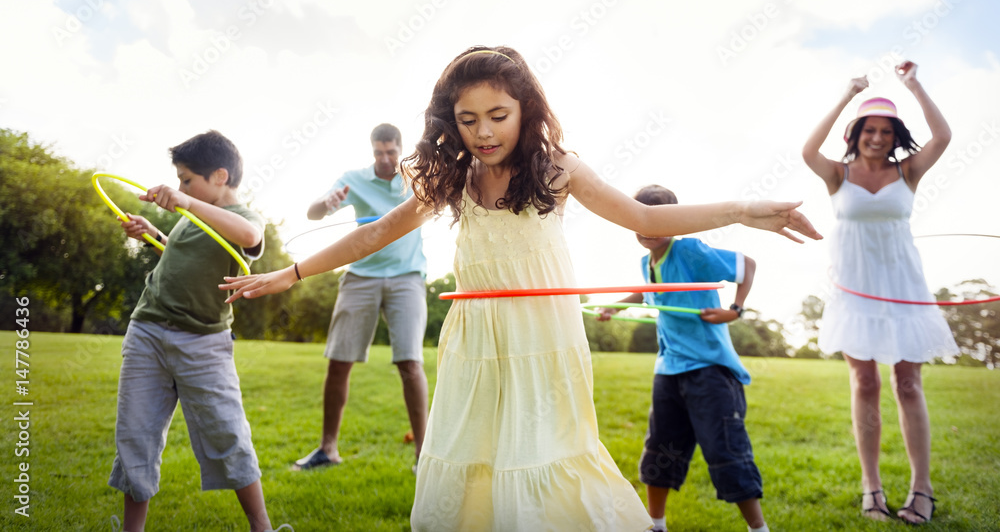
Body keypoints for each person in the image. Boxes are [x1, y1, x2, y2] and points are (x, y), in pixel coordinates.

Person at [221, 46, 821, 531]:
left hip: (544, 335)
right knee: (477, 454)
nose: (483, 132)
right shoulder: (451, 178)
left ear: (525, 108)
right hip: (477, 338)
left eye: (497, 116)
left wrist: (743, 209)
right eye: (467, 119)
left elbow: (647, 220)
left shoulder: (559, 167)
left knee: (543, 452)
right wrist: (289, 272)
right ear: (448, 122)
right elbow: (373, 233)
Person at [801, 61, 958, 524]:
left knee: (908, 383)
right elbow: (807, 149)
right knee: (864, 383)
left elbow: (943, 137)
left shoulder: (908, 172)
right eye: (868, 129)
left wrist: (914, 84)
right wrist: (848, 93)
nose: (877, 137)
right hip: (855, 294)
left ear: (895, 137)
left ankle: (921, 490)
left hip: (903, 290)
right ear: (856, 134)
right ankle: (872, 488)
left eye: (886, 131)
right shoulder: (837, 175)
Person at [109, 130, 287, 532]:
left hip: (203, 343)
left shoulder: (243, 217)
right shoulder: (192, 218)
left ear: (220, 177)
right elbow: (184, 252)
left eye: (186, 179)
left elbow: (248, 238)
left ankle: (262, 527)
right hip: (148, 330)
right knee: (135, 434)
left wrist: (188, 202)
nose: (180, 188)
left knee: (227, 433)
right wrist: (153, 235)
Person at [598, 184, 769, 532]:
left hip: (710, 370)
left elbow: (747, 265)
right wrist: (614, 305)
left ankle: (758, 529)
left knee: (727, 451)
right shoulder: (647, 261)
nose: (647, 230)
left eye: (659, 222)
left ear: (676, 222)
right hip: (669, 370)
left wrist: (734, 311)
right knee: (660, 449)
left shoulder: (689, 251)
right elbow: (649, 292)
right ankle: (657, 525)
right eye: (640, 221)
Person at [295, 123, 428, 471]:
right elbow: (313, 214)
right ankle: (327, 449)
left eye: (391, 152)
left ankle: (423, 456)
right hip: (361, 276)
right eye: (379, 153)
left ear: (401, 149)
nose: (385, 159)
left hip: (407, 276)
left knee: (410, 363)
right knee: (339, 361)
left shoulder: (415, 177)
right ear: (372, 151)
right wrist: (327, 203)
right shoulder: (354, 178)